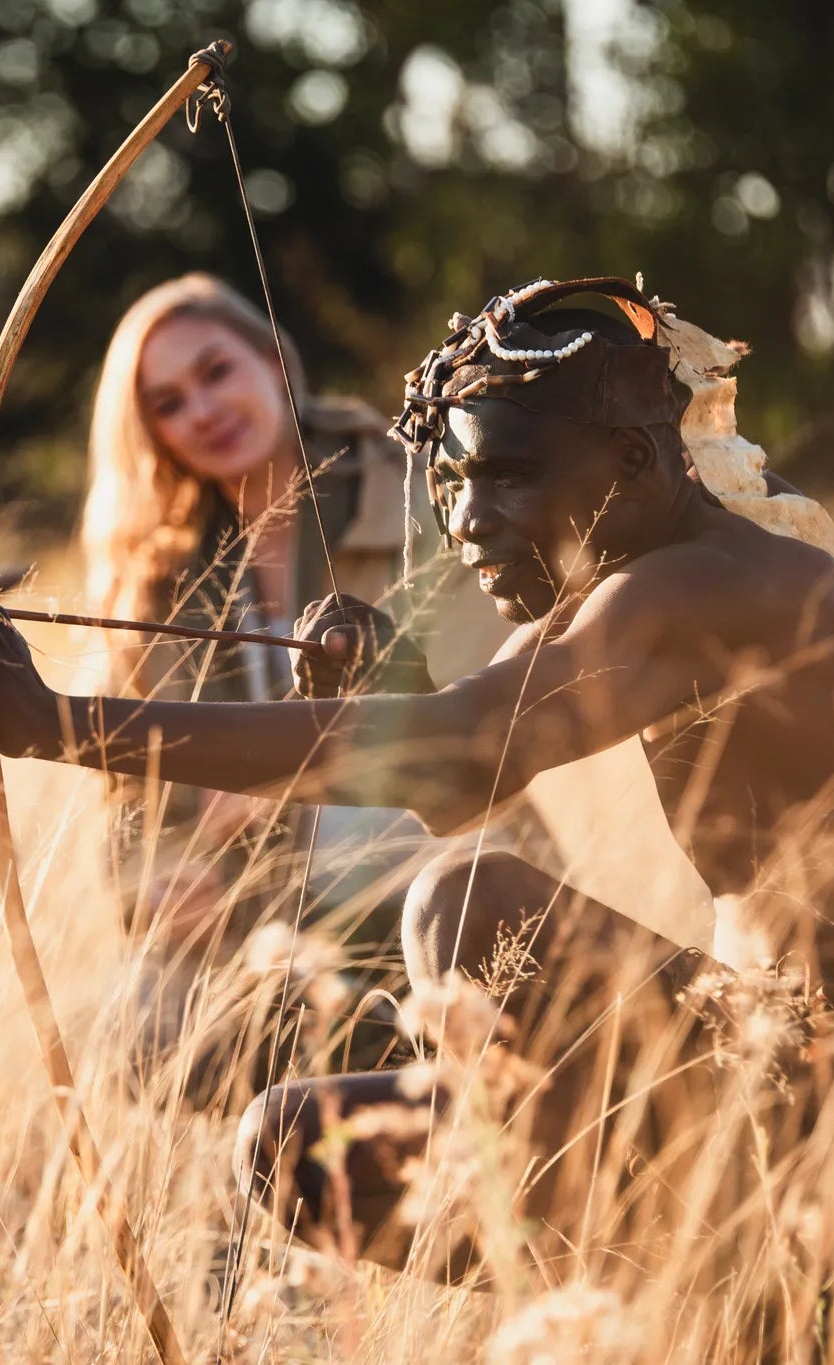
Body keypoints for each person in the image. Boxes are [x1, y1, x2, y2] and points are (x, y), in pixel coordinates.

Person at [0, 276, 834, 1276]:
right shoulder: (651, 564)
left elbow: (461, 751)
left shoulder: (711, 581)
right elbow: (449, 769)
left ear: (625, 460)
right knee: (293, 1139)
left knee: (457, 906)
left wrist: (50, 722)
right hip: (774, 1069)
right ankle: (701, 1306)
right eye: (454, 482)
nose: (463, 523)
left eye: (504, 477)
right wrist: (359, 696)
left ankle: (750, 1295)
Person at [77, 273, 538, 1105]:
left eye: (217, 371)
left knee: (376, 926)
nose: (204, 410)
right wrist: (157, 880)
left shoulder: (419, 491)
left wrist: (274, 778)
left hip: (435, 859)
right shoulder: (158, 571)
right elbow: (124, 786)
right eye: (169, 403)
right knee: (133, 1032)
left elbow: (477, 713)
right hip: (257, 910)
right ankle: (272, 1195)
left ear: (271, 358)